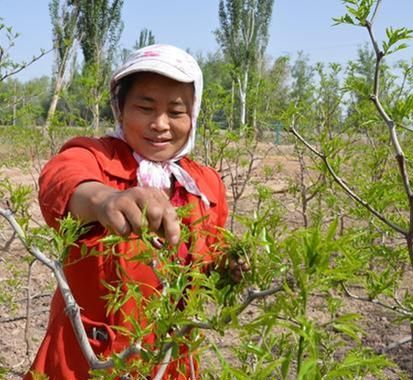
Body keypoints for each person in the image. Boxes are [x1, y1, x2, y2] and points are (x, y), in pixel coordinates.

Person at [26, 44, 248, 380]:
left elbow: (206, 258)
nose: (160, 124)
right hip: (90, 360)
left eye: (176, 112)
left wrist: (227, 266)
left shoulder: (204, 185)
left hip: (170, 361)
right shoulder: (94, 156)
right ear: (120, 109)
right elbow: (64, 181)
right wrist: (105, 200)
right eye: (145, 107)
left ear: (193, 116)